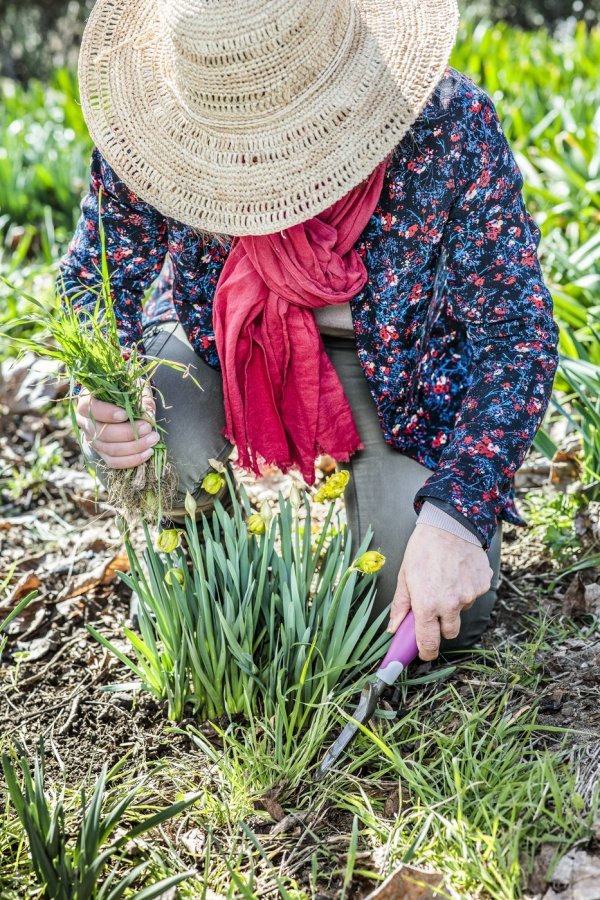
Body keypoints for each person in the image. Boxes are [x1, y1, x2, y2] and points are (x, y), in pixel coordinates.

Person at [60, 0, 558, 661]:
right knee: (165, 455)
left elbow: (513, 331)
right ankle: (206, 560)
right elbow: (93, 281)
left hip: (399, 370)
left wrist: (456, 515)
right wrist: (104, 392)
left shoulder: (443, 129)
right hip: (220, 339)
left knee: (424, 611)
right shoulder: (149, 130)